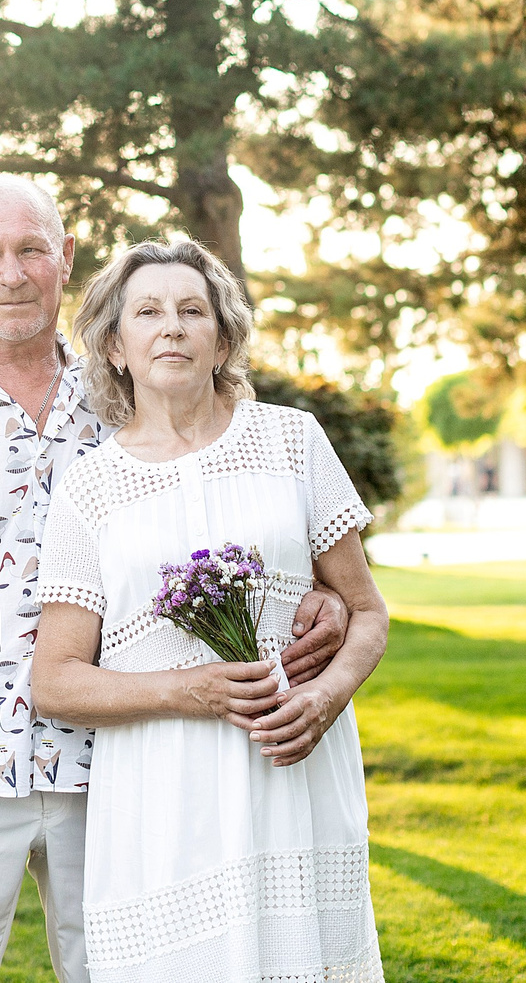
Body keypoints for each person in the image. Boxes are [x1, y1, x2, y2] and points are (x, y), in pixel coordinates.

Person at [0, 178, 351, 983]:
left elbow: (228, 513)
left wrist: (305, 589)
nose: (11, 272)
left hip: (118, 772)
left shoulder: (130, 392)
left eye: (31, 249)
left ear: (65, 257)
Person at [31, 238, 391, 983]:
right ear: (115, 346)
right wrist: (185, 689)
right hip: (163, 794)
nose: (172, 326)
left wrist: (325, 696)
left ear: (222, 337)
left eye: (192, 310)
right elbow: (55, 680)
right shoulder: (91, 488)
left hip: (293, 771)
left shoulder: (293, 440)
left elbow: (367, 612)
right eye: (149, 312)